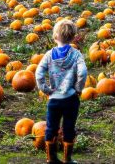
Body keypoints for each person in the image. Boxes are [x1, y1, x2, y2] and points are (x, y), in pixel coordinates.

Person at [35, 19, 87, 164]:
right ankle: (67, 159)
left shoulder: (49, 55)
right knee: (69, 128)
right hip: (71, 99)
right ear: (73, 37)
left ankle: (51, 158)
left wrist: (45, 89)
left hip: (54, 100)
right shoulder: (76, 54)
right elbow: (82, 72)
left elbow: (39, 73)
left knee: (51, 128)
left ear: (55, 36)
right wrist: (78, 88)